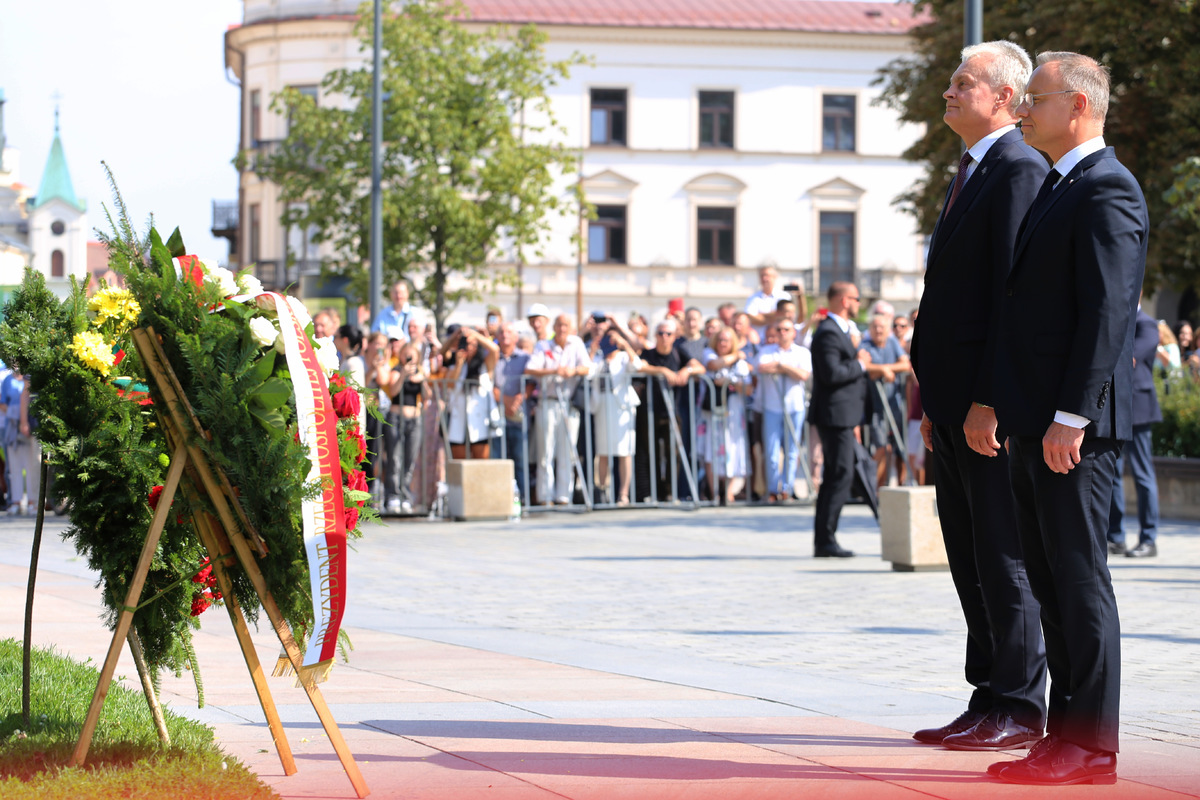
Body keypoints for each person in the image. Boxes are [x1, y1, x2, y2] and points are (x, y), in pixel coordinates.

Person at [990, 51, 1149, 786]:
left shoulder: (1107, 188)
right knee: (1051, 582)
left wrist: (1071, 415)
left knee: (1080, 581)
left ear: (1078, 107)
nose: (1024, 110)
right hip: (1036, 420)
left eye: (1037, 98)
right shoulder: (1063, 185)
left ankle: (1092, 746)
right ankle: (1064, 736)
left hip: (1070, 429)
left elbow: (1107, 313)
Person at [909, 40, 1049, 753]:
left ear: (1004, 97)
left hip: (986, 412)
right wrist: (931, 399)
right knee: (968, 556)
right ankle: (987, 693)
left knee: (1003, 555)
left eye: (963, 83)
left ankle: (1022, 705)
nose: (947, 92)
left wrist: (989, 400)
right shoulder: (971, 171)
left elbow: (1011, 300)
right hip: (951, 408)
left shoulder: (1019, 168)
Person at [809, 282, 870, 558]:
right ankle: (825, 539)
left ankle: (825, 538)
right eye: (856, 299)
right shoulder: (828, 333)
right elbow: (831, 373)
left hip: (842, 415)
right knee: (840, 474)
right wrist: (860, 364)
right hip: (833, 415)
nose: (859, 304)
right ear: (845, 300)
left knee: (838, 474)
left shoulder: (839, 331)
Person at [1107, 307, 1161, 558]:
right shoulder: (1117, 317)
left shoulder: (1146, 324)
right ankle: (1116, 537)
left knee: (1142, 474)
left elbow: (1127, 357)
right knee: (1113, 474)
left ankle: (1149, 539)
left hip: (1138, 408)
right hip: (1115, 407)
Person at [525, 315, 591, 505]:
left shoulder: (576, 343)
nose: (562, 329)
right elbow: (531, 369)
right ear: (554, 327)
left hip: (569, 404)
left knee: (567, 452)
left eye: (566, 325)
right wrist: (554, 371)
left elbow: (587, 367)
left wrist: (574, 371)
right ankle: (545, 496)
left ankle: (564, 496)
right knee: (545, 451)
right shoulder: (543, 346)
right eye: (560, 325)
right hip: (548, 401)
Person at [638, 317, 704, 502]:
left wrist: (686, 371)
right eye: (660, 333)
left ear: (674, 336)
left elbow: (700, 368)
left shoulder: (678, 353)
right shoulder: (649, 354)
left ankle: (670, 492)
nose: (664, 337)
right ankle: (653, 492)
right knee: (650, 452)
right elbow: (641, 366)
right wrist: (662, 371)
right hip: (650, 411)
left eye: (668, 334)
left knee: (672, 453)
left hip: (672, 411)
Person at [588, 317, 643, 505]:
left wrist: (626, 346)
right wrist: (593, 350)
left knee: (624, 451)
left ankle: (623, 494)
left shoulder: (622, 357)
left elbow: (637, 366)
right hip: (603, 407)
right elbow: (588, 373)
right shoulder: (598, 358)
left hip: (622, 409)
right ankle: (603, 491)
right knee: (603, 451)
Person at [756, 319, 812, 503]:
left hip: (795, 407)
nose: (782, 333)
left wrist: (781, 367)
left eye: (786, 329)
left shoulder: (802, 352)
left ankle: (786, 487)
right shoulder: (767, 351)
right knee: (772, 452)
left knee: (791, 451)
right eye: (778, 329)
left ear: (793, 333)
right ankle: (773, 489)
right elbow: (762, 367)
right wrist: (788, 369)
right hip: (772, 407)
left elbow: (803, 374)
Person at [701, 325, 753, 503]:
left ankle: (729, 491)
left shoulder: (741, 363)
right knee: (711, 448)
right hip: (714, 410)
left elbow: (747, 388)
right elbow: (713, 365)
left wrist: (728, 382)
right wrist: (735, 356)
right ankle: (714, 490)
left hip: (733, 410)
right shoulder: (710, 353)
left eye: (727, 340)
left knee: (733, 446)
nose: (723, 343)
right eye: (721, 339)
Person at [858, 313, 910, 488]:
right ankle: (868, 483)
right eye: (875, 327)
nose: (878, 330)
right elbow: (866, 367)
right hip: (874, 406)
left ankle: (892, 486)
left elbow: (905, 364)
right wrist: (884, 371)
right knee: (882, 447)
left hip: (895, 404)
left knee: (899, 448)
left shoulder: (892, 342)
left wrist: (885, 369)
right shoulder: (865, 345)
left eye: (882, 327)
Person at [378, 341, 429, 514]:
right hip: (396, 416)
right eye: (405, 354)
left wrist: (423, 380)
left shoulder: (420, 373)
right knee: (395, 458)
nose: (408, 358)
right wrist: (403, 375)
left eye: (412, 355)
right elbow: (393, 391)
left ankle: (405, 495)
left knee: (410, 459)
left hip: (414, 418)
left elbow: (428, 396)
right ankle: (392, 495)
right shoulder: (396, 371)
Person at [445, 326, 500, 460]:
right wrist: (459, 363)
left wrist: (475, 334)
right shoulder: (456, 365)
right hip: (459, 420)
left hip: (479, 421)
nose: (469, 347)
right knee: (459, 464)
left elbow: (495, 349)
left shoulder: (484, 366)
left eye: (473, 344)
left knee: (480, 464)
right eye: (467, 344)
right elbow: (450, 385)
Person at [493, 322, 532, 504]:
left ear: (516, 337)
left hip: (518, 416)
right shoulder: (492, 357)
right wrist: (505, 400)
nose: (504, 335)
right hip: (497, 416)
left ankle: (522, 498)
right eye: (501, 332)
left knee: (520, 459)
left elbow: (531, 383)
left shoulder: (525, 358)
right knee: (499, 460)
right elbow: (489, 383)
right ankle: (500, 499)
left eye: (509, 332)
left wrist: (518, 399)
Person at [744, 266, 790, 343]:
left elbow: (785, 316)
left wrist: (761, 315)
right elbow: (750, 317)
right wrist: (774, 315)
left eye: (767, 275)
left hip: (779, 342)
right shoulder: (752, 298)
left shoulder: (784, 296)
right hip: (759, 341)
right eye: (762, 276)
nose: (764, 278)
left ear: (774, 277)